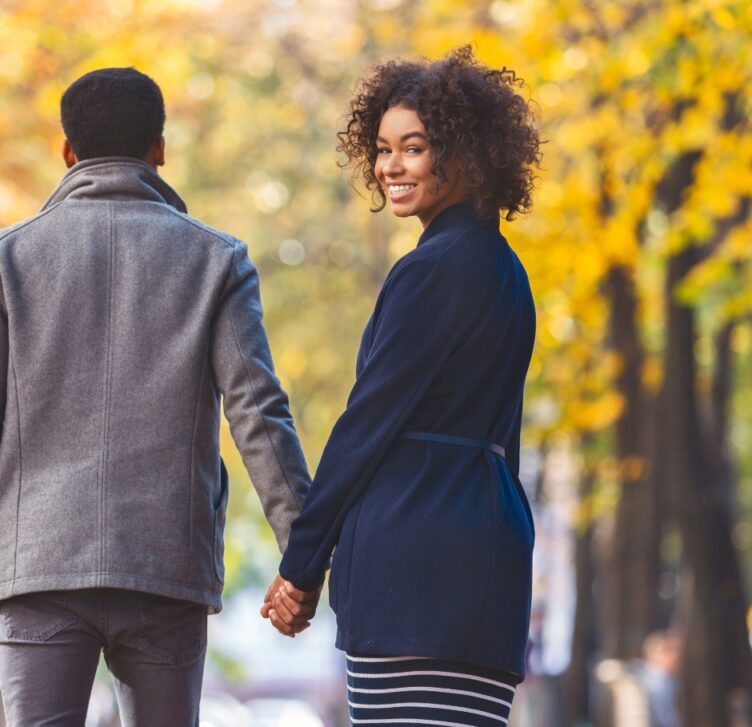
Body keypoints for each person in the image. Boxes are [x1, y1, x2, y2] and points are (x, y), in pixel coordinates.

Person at [0, 67, 313, 726]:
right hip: (163, 562)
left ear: (67, 152)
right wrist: (303, 550)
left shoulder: (6, 258)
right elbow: (258, 410)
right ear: (159, 147)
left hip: (38, 566)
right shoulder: (216, 259)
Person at [263, 46, 541, 726]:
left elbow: (366, 427)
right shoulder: (509, 275)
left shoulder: (429, 271)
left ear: (466, 153)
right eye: (383, 149)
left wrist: (302, 565)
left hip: (412, 567)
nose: (391, 166)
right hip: (490, 557)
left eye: (413, 148)